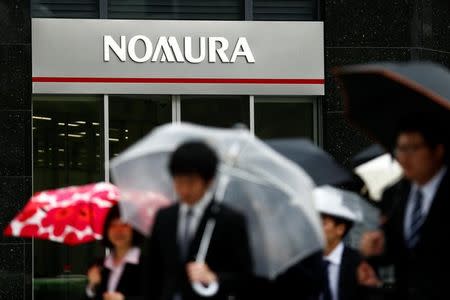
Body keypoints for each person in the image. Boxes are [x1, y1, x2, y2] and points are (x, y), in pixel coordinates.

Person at [143, 140, 253, 300]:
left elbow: (245, 278)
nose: (184, 189)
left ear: (208, 182)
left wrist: (214, 277)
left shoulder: (229, 220)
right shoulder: (164, 217)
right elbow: (152, 271)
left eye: (191, 182)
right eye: (179, 181)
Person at [359, 119, 449, 300]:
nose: (404, 157)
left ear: (438, 150)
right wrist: (376, 251)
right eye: (400, 149)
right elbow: (398, 254)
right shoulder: (394, 194)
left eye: (413, 149)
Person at [314, 186, 379, 300]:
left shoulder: (357, 262)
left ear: (340, 229)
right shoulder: (305, 263)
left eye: (323, 223)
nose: (316, 228)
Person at [86, 204, 144, 300]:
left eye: (124, 225)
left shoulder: (148, 264)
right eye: (113, 225)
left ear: (134, 229)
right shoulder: (99, 266)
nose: (118, 231)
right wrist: (92, 286)